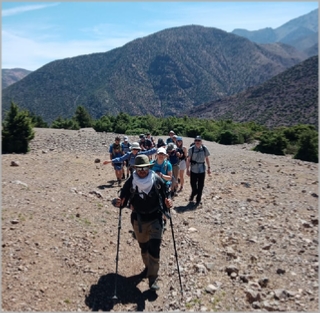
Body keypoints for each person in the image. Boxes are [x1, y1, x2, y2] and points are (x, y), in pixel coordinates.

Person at [114, 154, 173, 291]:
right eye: (139, 169)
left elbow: (166, 196)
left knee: (154, 248)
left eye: (144, 168)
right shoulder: (130, 182)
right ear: (135, 169)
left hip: (155, 218)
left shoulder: (157, 180)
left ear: (148, 168)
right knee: (144, 247)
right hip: (138, 220)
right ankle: (148, 267)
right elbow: (122, 200)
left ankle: (153, 278)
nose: (142, 171)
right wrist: (118, 203)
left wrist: (169, 203)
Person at [186, 136, 211, 206]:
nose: (197, 142)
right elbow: (188, 160)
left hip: (202, 169)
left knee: (201, 185)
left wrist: (209, 168)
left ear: (201, 142)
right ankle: (194, 193)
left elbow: (207, 158)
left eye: (199, 141)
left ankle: (198, 199)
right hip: (193, 169)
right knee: (193, 184)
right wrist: (187, 169)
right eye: (196, 140)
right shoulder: (191, 149)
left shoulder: (204, 148)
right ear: (194, 141)